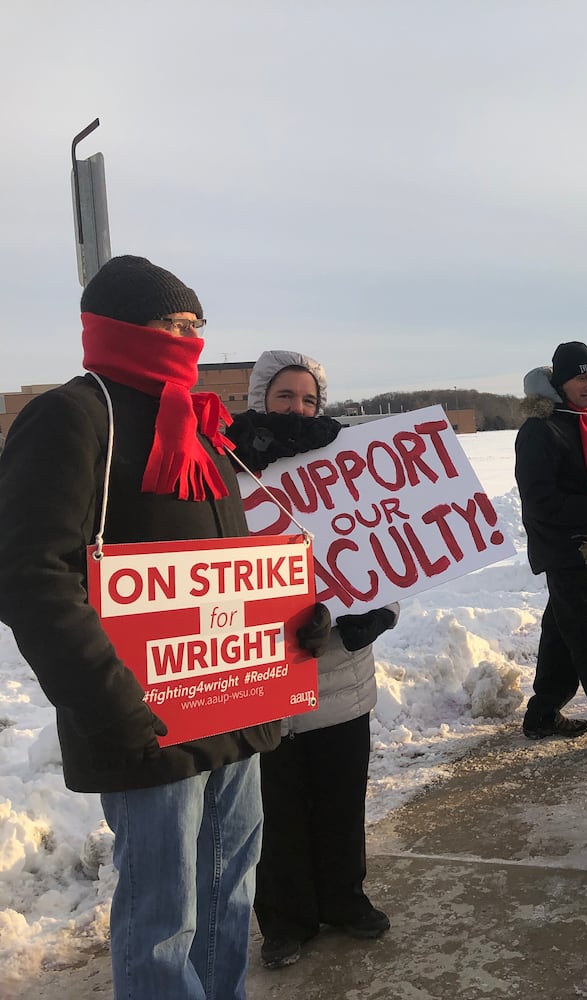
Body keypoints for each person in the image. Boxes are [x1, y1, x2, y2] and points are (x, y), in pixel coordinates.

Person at [0, 255, 328, 999]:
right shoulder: (76, 415)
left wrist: (294, 625)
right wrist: (109, 701)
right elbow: (28, 571)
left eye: (197, 327)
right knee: (163, 917)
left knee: (228, 900)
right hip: (143, 718)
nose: (191, 341)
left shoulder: (203, 427)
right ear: (118, 328)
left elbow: (232, 570)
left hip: (233, 710)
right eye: (174, 325)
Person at [228, 350, 398, 970]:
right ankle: (284, 918)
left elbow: (387, 540)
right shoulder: (228, 464)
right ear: (258, 400)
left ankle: (346, 900)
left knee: (339, 797)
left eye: (308, 400)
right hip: (264, 671)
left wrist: (373, 611)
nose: (297, 410)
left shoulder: (346, 461)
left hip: (340, 677)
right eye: (284, 398)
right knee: (274, 807)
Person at [514, 342, 587, 752]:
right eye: (581, 377)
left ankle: (543, 713)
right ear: (561, 382)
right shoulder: (540, 430)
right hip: (562, 545)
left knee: (561, 629)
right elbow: (540, 500)